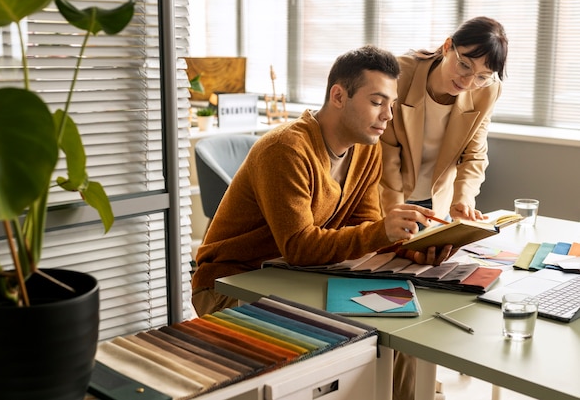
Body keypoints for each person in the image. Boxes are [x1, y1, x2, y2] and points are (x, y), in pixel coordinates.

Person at [191, 44, 453, 317]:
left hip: (295, 277)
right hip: (230, 286)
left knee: (398, 318)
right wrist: (382, 231)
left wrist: (408, 248)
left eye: (392, 104)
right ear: (339, 96)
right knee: (360, 330)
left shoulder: (367, 147)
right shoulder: (286, 149)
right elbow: (299, 247)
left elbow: (361, 226)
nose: (388, 115)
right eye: (377, 102)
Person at [380, 16, 508, 222]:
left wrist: (463, 201)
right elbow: (386, 154)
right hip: (387, 199)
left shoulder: (487, 90)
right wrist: (396, 212)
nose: (468, 82)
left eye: (482, 76)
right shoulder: (399, 74)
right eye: (465, 65)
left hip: (437, 206)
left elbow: (474, 154)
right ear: (448, 46)